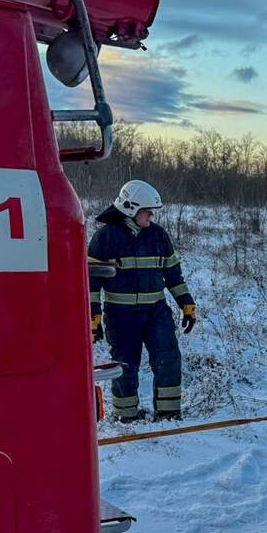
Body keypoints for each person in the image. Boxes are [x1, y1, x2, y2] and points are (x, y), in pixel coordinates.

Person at [88, 180, 196, 422]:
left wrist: (186, 304)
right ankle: (126, 416)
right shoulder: (105, 238)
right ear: (130, 209)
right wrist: (93, 316)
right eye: (147, 211)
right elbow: (91, 283)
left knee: (168, 358)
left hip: (156, 313)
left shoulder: (158, 236)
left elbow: (173, 275)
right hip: (120, 315)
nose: (151, 216)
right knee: (125, 365)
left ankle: (168, 413)